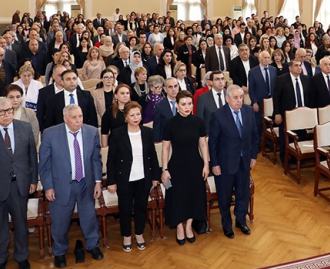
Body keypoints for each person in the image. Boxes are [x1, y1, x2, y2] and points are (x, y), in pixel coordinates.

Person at [0, 97, 38, 269]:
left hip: (20, 185)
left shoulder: (25, 128)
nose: (6, 115)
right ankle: (1, 258)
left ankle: (22, 256)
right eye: (1, 112)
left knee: (21, 223)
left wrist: (33, 180)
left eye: (9, 110)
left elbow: (32, 157)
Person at [39, 104, 104, 267]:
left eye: (80, 116)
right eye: (74, 117)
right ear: (65, 118)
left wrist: (97, 181)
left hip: (85, 183)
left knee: (89, 218)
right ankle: (59, 252)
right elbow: (44, 164)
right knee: (60, 222)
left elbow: (96, 159)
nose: (78, 120)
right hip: (61, 186)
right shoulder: (50, 134)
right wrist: (48, 187)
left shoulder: (91, 132)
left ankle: (92, 245)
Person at [106, 101, 160, 251]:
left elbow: (152, 156)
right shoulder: (117, 134)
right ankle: (126, 236)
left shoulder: (148, 133)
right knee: (125, 209)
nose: (136, 118)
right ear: (126, 117)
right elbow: (111, 159)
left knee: (141, 208)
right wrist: (111, 181)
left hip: (143, 178)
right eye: (132, 115)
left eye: (138, 114)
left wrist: (155, 176)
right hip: (125, 179)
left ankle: (139, 234)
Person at [209, 85, 259, 238]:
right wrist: (215, 164)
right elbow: (213, 143)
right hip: (225, 164)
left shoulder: (248, 111)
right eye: (236, 98)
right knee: (224, 197)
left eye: (241, 97)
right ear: (227, 98)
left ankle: (240, 220)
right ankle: (226, 224)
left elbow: (254, 136)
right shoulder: (218, 115)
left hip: (244, 161)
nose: (239, 101)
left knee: (242, 193)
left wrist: (253, 156)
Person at [161, 91, 210, 245]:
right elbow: (165, 149)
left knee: (194, 196)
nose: (187, 107)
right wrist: (165, 169)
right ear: (177, 105)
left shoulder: (198, 122)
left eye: (190, 104)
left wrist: (206, 164)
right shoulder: (169, 123)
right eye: (183, 104)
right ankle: (179, 228)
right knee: (178, 198)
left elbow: (203, 144)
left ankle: (189, 226)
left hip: (195, 165)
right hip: (176, 166)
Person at [272, 61, 312, 164]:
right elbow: (276, 98)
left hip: (302, 114)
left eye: (300, 65)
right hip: (287, 114)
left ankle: (296, 158)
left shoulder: (306, 79)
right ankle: (285, 159)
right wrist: (277, 113)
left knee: (300, 136)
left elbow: (309, 96)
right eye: (296, 65)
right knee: (286, 138)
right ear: (290, 68)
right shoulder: (281, 79)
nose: (299, 67)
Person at [247, 51, 277, 140]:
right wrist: (254, 102)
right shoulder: (252, 72)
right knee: (258, 124)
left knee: (270, 122)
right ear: (260, 59)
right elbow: (251, 89)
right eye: (265, 58)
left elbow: (275, 85)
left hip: (271, 101)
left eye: (268, 58)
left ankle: (269, 143)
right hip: (259, 101)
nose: (267, 60)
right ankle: (258, 144)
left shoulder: (273, 70)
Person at [152, 77, 180, 142]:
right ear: (165, 89)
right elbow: (157, 129)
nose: (174, 89)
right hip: (167, 142)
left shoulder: (184, 103)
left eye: (175, 86)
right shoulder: (159, 107)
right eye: (170, 87)